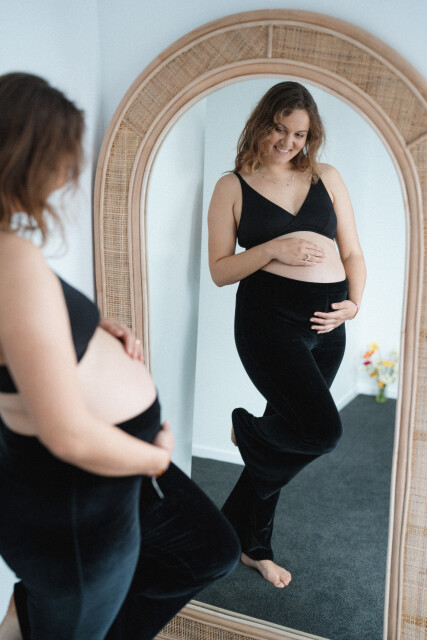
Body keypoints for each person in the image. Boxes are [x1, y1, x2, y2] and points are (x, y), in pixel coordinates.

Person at [0, 72, 240, 640]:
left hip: (87, 487)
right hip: (80, 501)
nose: (67, 174)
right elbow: (69, 436)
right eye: (63, 156)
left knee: (210, 549)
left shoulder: (10, 254)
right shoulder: (13, 259)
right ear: (31, 156)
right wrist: (153, 460)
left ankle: (30, 618)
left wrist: (81, 330)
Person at [208, 81, 366, 589]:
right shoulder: (232, 186)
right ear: (262, 123)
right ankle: (248, 429)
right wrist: (273, 249)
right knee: (322, 431)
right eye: (280, 129)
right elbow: (220, 270)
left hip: (328, 325)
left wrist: (354, 304)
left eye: (299, 134)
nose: (288, 142)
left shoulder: (326, 176)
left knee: (285, 435)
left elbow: (352, 251)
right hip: (268, 321)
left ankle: (249, 545)